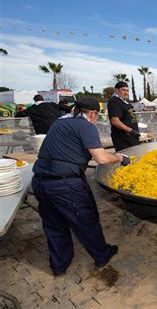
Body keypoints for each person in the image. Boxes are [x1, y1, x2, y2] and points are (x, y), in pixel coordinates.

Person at [32, 97, 130, 276]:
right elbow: (101, 158)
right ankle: (102, 255)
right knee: (85, 221)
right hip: (65, 184)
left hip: (40, 182)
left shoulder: (59, 123)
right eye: (97, 115)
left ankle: (59, 266)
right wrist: (120, 158)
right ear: (92, 113)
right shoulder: (86, 126)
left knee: (54, 225)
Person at [107, 81, 140, 151]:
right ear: (116, 90)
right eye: (123, 90)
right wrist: (130, 130)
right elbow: (115, 121)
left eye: (127, 90)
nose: (126, 92)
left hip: (131, 137)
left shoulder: (125, 102)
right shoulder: (114, 102)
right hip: (123, 138)